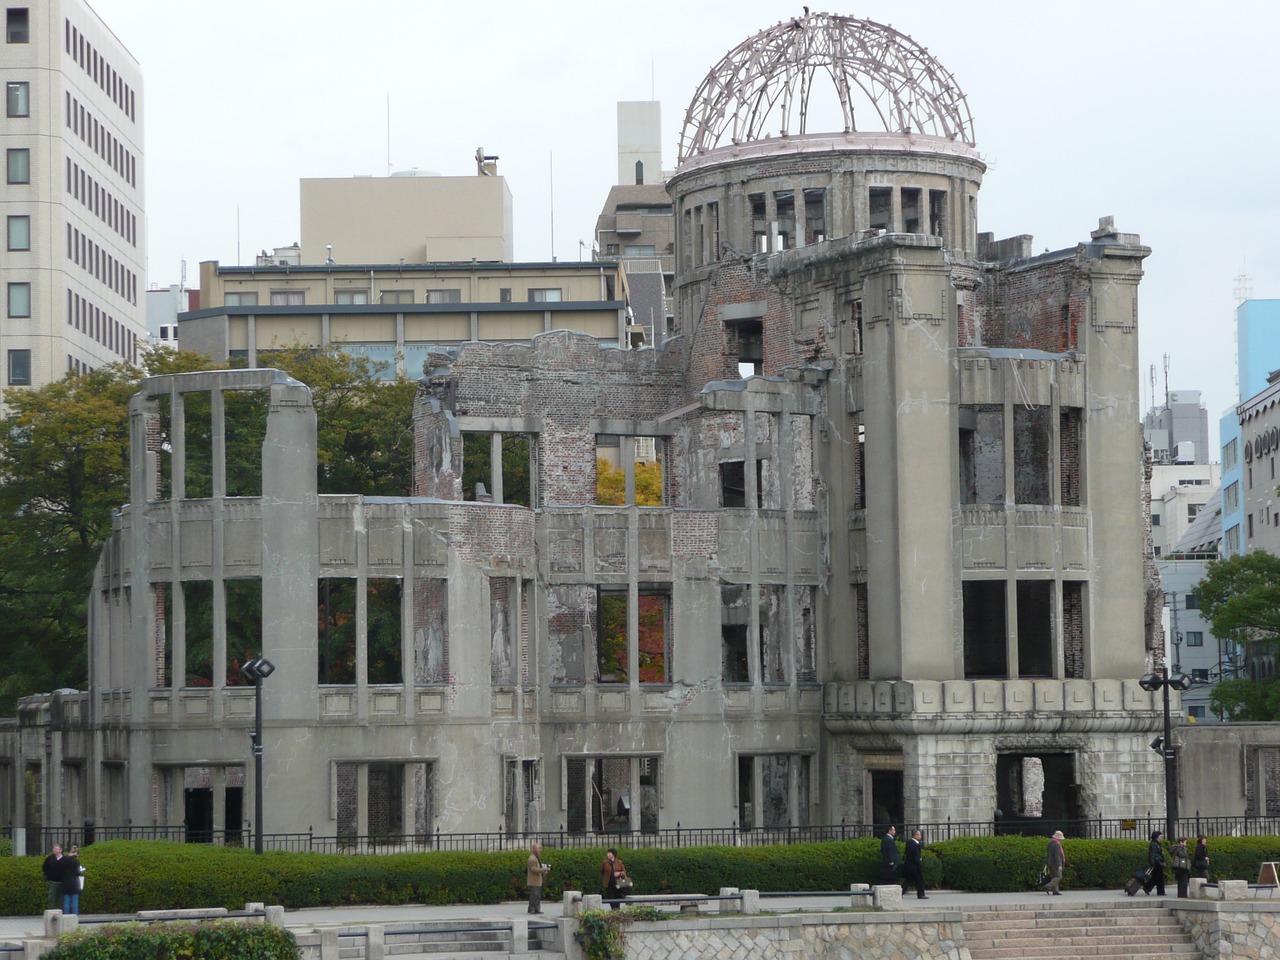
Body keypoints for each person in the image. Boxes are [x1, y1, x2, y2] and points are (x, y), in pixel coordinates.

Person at [526, 841, 551, 914]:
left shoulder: (536, 857)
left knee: (538, 896)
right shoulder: (532, 858)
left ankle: (537, 909)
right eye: (538, 849)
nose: (540, 850)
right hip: (534, 881)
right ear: (534, 849)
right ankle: (532, 909)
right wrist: (543, 869)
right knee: (534, 895)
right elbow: (533, 869)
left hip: (537, 881)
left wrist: (543, 867)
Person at [903, 829, 927, 899]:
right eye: (919, 834)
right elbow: (917, 857)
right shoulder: (916, 845)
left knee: (908, 880)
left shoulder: (909, 842)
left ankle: (901, 892)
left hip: (909, 865)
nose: (920, 836)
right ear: (916, 835)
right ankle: (921, 894)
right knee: (919, 880)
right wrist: (920, 862)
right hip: (915, 866)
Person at [59, 845, 82, 916]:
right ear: (76, 853)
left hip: (65, 882)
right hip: (74, 883)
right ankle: (74, 917)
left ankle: (66, 916)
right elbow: (78, 872)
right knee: (74, 902)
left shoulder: (65, 860)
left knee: (66, 901)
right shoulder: (76, 861)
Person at [1142, 830, 1166, 896]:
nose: (1161, 838)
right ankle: (1160, 892)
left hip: (1156, 862)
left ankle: (1147, 887)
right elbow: (1154, 854)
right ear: (1156, 837)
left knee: (1156, 877)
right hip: (1157, 863)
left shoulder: (1156, 844)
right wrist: (1161, 859)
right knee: (1159, 877)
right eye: (1160, 836)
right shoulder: (1154, 844)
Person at [1044, 830, 1066, 896]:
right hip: (1055, 864)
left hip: (1050, 862)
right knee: (1059, 876)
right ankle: (1048, 886)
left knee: (1054, 876)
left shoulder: (1051, 843)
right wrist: (1059, 865)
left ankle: (1055, 891)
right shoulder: (1056, 845)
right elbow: (1057, 856)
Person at [41, 844, 62, 909]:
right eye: (54, 849)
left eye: (56, 849)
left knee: (60, 899)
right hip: (52, 882)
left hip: (62, 882)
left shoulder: (64, 859)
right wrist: (48, 875)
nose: (54, 850)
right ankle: (52, 912)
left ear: (60, 850)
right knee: (51, 898)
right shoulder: (49, 859)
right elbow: (44, 868)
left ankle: (60, 912)